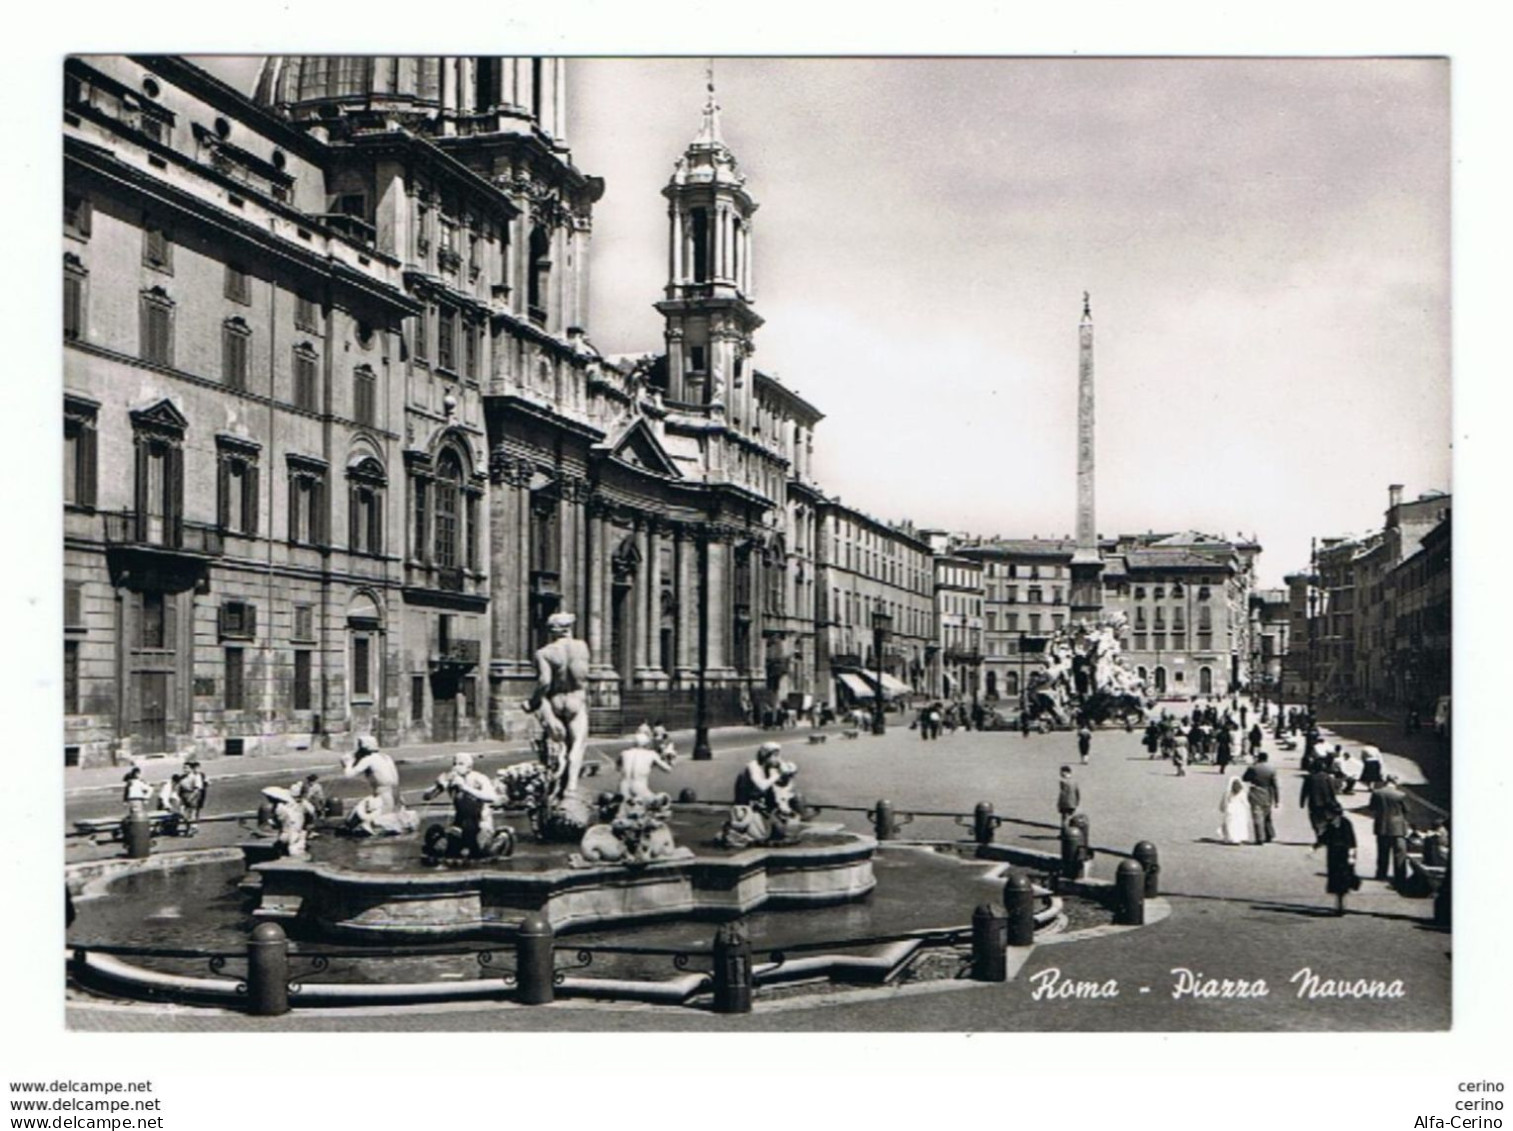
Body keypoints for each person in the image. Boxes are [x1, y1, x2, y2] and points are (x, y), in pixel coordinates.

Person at [523, 611, 592, 801]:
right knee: (577, 745)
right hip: (576, 700)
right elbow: (584, 675)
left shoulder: (544, 653)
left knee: (560, 746)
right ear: (569, 628)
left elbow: (545, 682)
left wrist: (532, 702)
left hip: (556, 701)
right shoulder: (582, 647)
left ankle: (556, 785)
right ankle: (571, 787)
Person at [422, 752, 500, 855]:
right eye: (454, 764)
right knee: (438, 844)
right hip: (459, 824)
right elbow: (426, 797)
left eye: (460, 764)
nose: (456, 767)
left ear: (469, 767)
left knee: (482, 850)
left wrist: (465, 788)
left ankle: (499, 839)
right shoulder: (451, 780)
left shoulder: (479, 779)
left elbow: (492, 798)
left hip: (481, 823)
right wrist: (439, 786)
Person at [341, 735, 414, 836]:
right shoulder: (386, 757)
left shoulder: (369, 759)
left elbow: (348, 775)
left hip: (384, 798)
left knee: (356, 821)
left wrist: (348, 763)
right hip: (397, 797)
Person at [1314, 802, 1360, 915]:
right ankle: (1339, 904)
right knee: (1335, 880)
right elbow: (1324, 838)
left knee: (1343, 880)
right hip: (1333, 856)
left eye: (1328, 813)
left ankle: (1341, 905)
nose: (1326, 815)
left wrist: (1352, 856)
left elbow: (1352, 841)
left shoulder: (1346, 824)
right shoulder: (1329, 825)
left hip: (1343, 855)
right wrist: (1315, 846)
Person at [1368, 774, 1411, 886]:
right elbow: (1407, 810)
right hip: (1397, 827)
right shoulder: (1401, 795)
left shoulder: (1377, 793)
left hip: (1381, 825)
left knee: (1382, 851)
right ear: (1395, 782)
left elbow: (1372, 807)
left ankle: (1381, 874)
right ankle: (1400, 877)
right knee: (1399, 852)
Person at [617, 734, 675, 802]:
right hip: (639, 789)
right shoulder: (651, 754)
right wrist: (670, 760)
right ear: (646, 744)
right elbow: (668, 769)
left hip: (622, 788)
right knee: (663, 799)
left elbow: (618, 768)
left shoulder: (624, 753)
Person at [1242, 751, 1280, 844]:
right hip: (1267, 792)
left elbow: (1245, 778)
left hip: (1256, 791)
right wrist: (1277, 799)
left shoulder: (1253, 768)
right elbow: (1275, 785)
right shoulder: (1272, 769)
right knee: (1267, 814)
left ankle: (1260, 837)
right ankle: (1269, 834)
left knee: (1257, 814)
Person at [263, 786, 309, 858]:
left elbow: (279, 822)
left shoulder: (279, 808)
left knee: (290, 850)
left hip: (287, 831)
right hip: (295, 829)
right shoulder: (293, 805)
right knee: (295, 848)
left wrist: (272, 822)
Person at [735, 743, 785, 807]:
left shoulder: (769, 766)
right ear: (766, 755)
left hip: (760, 801)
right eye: (775, 755)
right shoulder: (753, 766)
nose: (778, 758)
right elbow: (762, 786)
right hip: (746, 804)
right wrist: (776, 776)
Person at [1300, 760, 1339, 841]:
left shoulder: (1310, 777)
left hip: (1314, 803)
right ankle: (1325, 835)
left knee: (1315, 820)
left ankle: (1319, 835)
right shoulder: (1328, 777)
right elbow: (1332, 791)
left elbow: (1304, 791)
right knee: (1325, 819)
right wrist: (1334, 801)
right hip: (1326, 803)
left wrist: (1302, 802)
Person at [1218, 776, 1254, 845]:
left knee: (1230, 824)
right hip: (1240, 809)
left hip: (1230, 809)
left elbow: (1224, 801)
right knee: (1239, 824)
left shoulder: (1227, 793)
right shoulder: (1242, 793)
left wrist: (1222, 808)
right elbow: (1245, 802)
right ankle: (1238, 838)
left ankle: (1230, 838)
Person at [177, 758, 207, 834]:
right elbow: (179, 788)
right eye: (184, 768)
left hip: (193, 795)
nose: (184, 769)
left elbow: (198, 789)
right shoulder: (182, 778)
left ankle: (192, 828)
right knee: (183, 813)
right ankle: (189, 826)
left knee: (192, 813)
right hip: (184, 796)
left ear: (191, 769)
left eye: (186, 768)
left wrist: (192, 797)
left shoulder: (195, 777)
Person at [1057, 765, 1081, 830]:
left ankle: (1064, 831)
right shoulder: (1075, 782)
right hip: (1073, 803)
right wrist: (1077, 802)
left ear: (1066, 772)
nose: (1060, 773)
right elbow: (1077, 792)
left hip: (1065, 803)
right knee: (1070, 817)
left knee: (1064, 818)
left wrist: (1059, 804)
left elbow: (1062, 794)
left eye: (1061, 772)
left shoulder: (1063, 782)